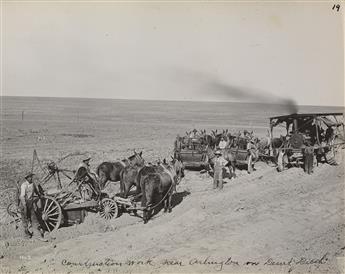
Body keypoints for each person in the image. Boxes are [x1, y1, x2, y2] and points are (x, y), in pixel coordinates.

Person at [18, 172, 47, 241]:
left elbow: (36, 192)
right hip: (24, 204)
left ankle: (37, 235)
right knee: (25, 220)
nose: (31, 178)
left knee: (34, 219)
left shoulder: (32, 184)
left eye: (31, 177)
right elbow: (22, 196)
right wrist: (25, 206)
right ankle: (26, 235)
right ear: (27, 178)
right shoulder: (24, 185)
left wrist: (40, 196)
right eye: (30, 177)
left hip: (30, 203)